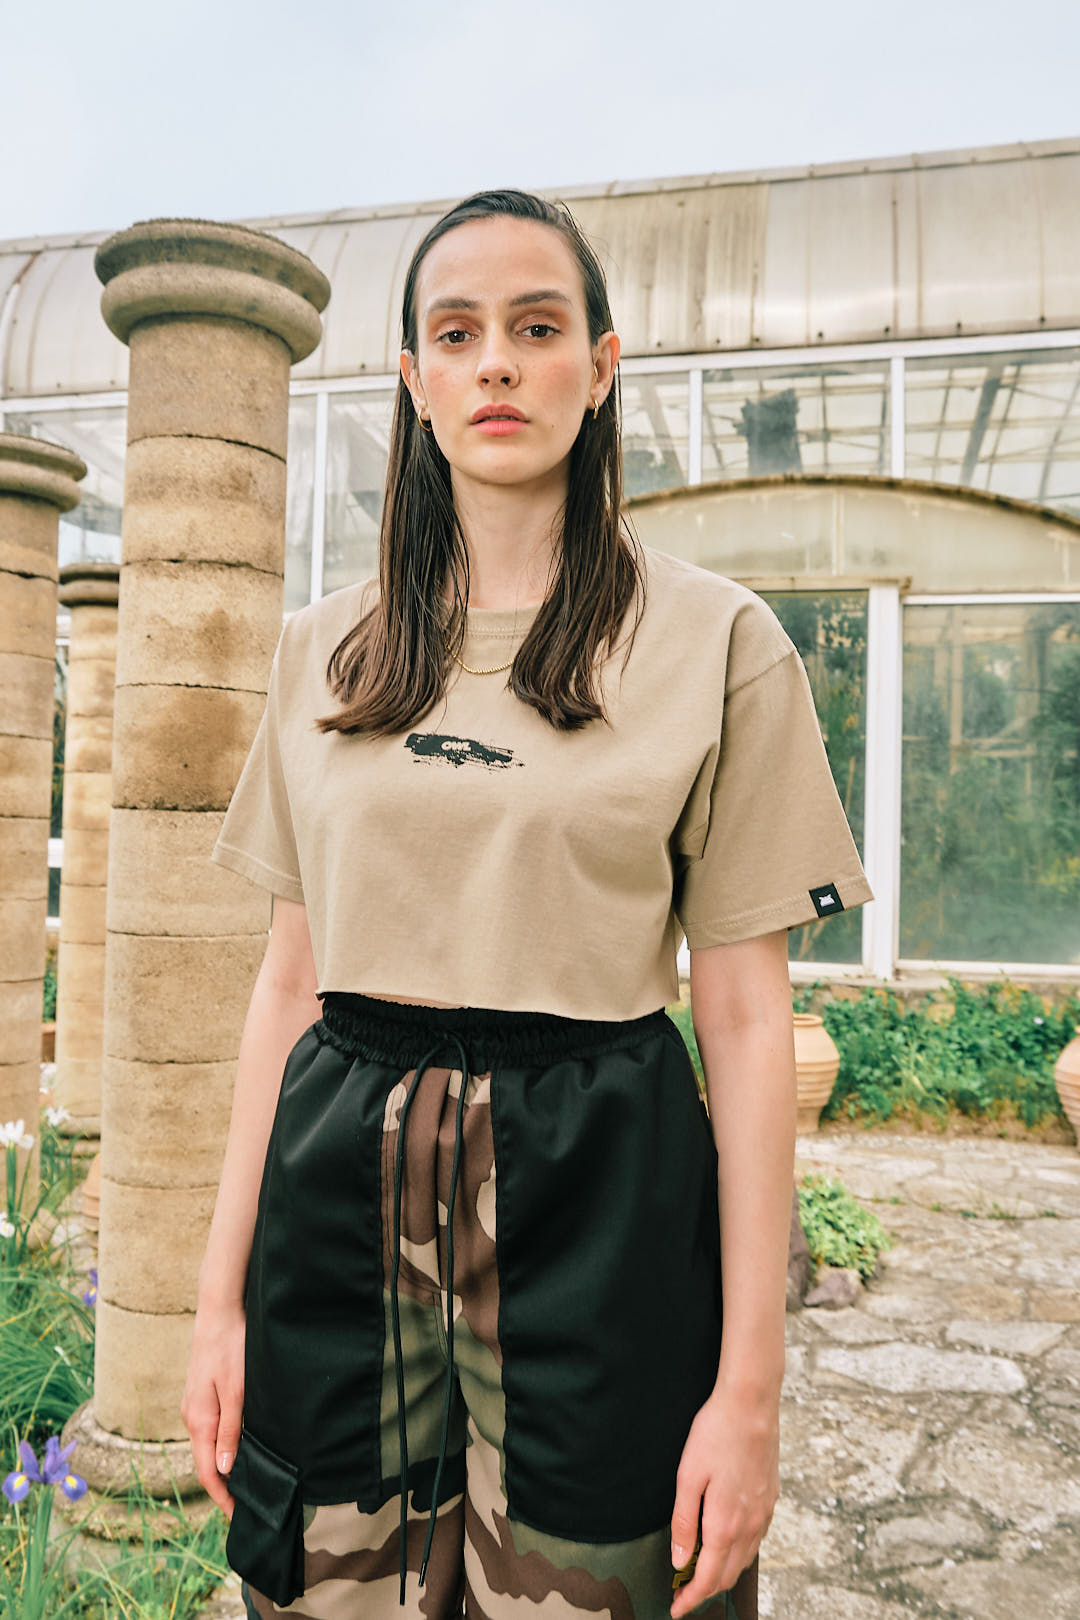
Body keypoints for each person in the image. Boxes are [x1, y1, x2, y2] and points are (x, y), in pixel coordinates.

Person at [181, 188, 872, 1620]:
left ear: (601, 367)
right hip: (337, 1201)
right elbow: (289, 982)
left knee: (601, 1584)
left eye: (537, 327)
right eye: (458, 333)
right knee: (323, 1589)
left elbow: (748, 1025)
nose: (496, 362)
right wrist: (218, 1298)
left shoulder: (718, 643)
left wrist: (750, 1389)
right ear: (415, 382)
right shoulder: (322, 653)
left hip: (600, 1195)